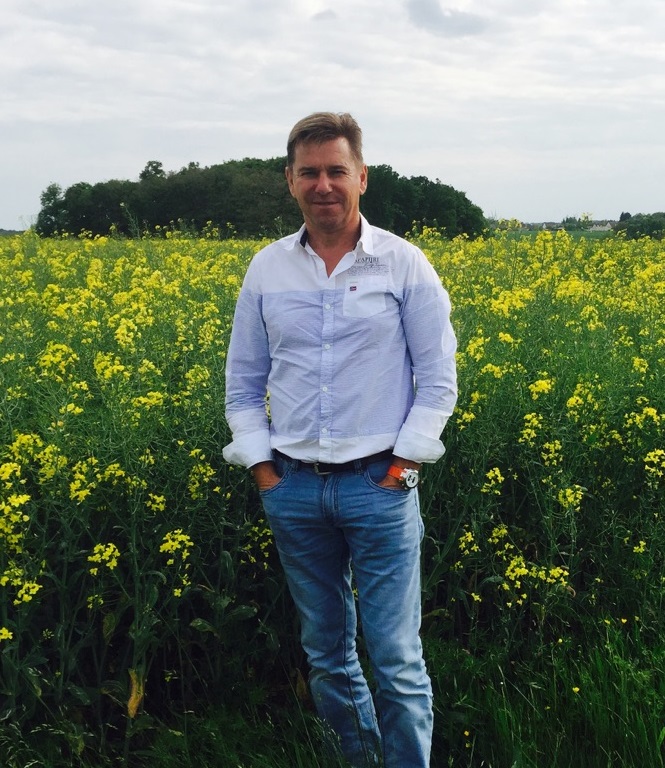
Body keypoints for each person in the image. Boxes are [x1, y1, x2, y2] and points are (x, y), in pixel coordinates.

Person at [223, 112, 457, 768]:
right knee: (326, 654)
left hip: (379, 486)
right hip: (294, 488)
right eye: (309, 173)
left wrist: (402, 465)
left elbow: (438, 378)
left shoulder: (403, 263)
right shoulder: (267, 268)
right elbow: (242, 383)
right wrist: (264, 471)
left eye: (335, 171)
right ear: (290, 181)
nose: (322, 184)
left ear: (362, 177)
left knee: (396, 658)